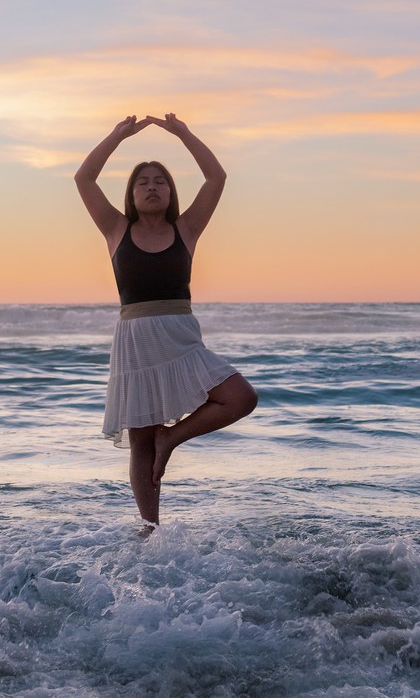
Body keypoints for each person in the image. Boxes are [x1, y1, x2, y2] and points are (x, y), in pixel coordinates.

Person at [74, 113, 257, 531]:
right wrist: (117, 136)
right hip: (136, 341)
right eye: (143, 181)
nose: (152, 186)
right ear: (131, 194)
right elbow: (84, 180)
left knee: (241, 397)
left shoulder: (187, 229)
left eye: (160, 180)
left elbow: (216, 178)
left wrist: (184, 133)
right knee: (140, 440)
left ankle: (171, 438)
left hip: (180, 337)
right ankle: (149, 530)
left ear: (171, 192)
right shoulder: (115, 229)